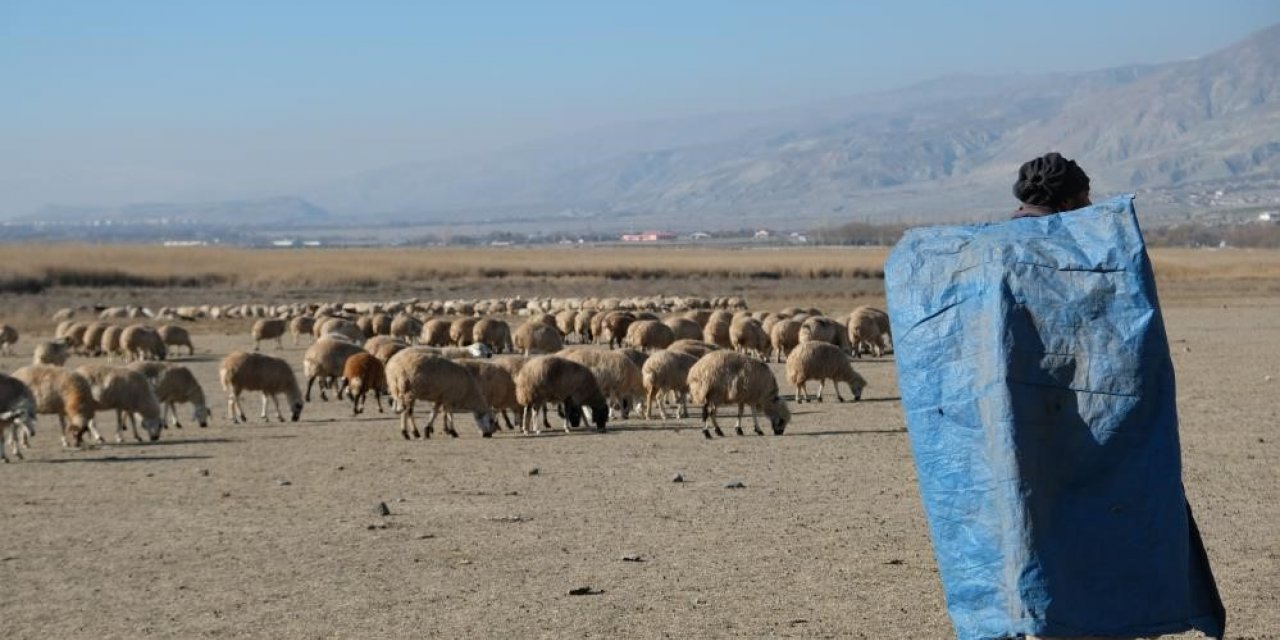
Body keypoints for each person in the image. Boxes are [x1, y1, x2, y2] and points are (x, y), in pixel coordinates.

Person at [1011, 152, 1092, 218]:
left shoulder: (1013, 230)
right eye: (1086, 195)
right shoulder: (1057, 235)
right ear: (1066, 202)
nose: (1090, 203)